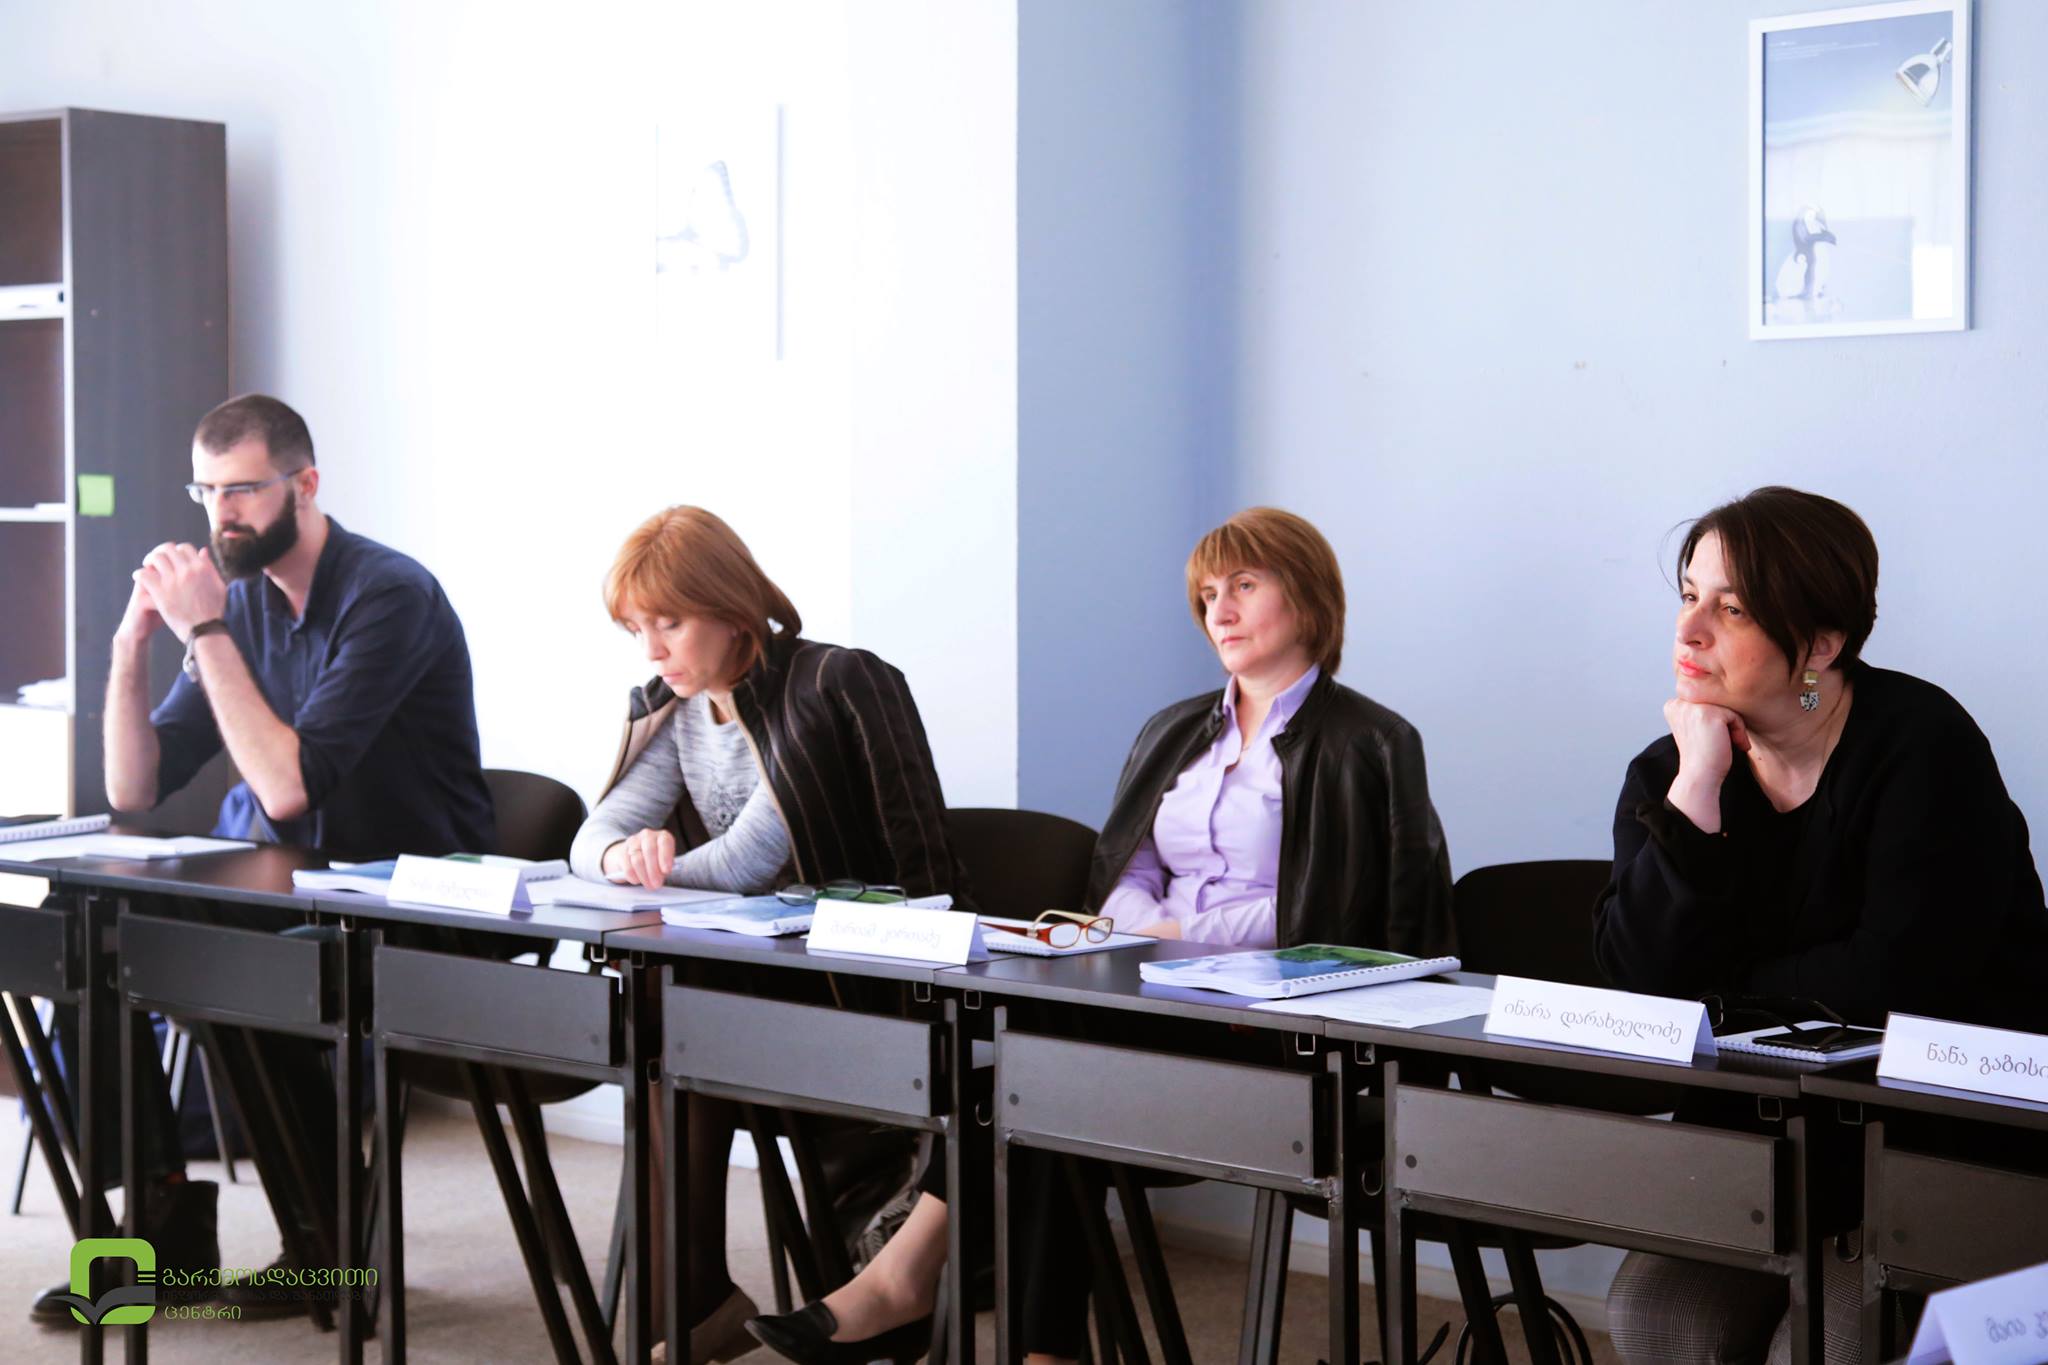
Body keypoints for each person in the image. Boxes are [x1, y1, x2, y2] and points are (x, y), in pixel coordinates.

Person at [746, 506, 1454, 1365]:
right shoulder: (1174, 729)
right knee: (1036, 1064)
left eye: (1244, 585)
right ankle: (1020, 1339)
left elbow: (1340, 916)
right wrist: (1139, 924)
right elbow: (1131, 864)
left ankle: (912, 1285)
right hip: (1148, 998)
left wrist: (1177, 929)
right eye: (1207, 594)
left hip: (1275, 1033)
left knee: (1033, 1056)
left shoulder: (1373, 740)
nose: (1220, 610)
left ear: (1308, 596)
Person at [31, 393, 497, 1326]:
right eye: (206, 492)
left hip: (401, 899)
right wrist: (132, 642)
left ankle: (328, 1244)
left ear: (305, 483)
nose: (222, 514)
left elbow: (289, 787)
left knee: (240, 951)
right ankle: (162, 1219)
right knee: (79, 923)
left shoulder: (387, 595)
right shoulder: (240, 604)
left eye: (241, 489)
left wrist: (205, 632)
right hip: (269, 884)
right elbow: (134, 786)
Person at [1595, 486, 2048, 1365]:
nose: (1689, 629)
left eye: (1731, 608)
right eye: (1688, 595)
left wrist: (1723, 994)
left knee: (1834, 1340)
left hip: (1942, 1131)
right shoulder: (1672, 770)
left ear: (1822, 643)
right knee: (1660, 1313)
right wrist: (1697, 791)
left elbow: (1900, 980)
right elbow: (1638, 983)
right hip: (1762, 1136)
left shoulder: (1923, 743)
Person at [568, 505, 972, 1365]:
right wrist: (622, 853)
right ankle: (697, 1297)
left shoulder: (825, 684)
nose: (651, 651)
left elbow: (749, 860)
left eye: (668, 623)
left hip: (876, 993)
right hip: (769, 985)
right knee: (662, 1013)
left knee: (676, 1013)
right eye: (637, 629)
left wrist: (652, 868)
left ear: (729, 607)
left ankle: (697, 1303)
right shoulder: (677, 706)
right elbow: (587, 837)